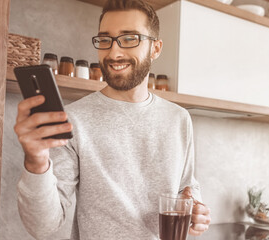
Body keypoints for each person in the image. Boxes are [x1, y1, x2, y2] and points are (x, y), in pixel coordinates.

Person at [14, 0, 211, 239]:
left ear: (156, 49)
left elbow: (186, 188)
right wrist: (36, 162)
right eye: (105, 40)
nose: (114, 52)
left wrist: (196, 208)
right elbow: (43, 226)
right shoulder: (73, 120)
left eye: (129, 39)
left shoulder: (179, 118)